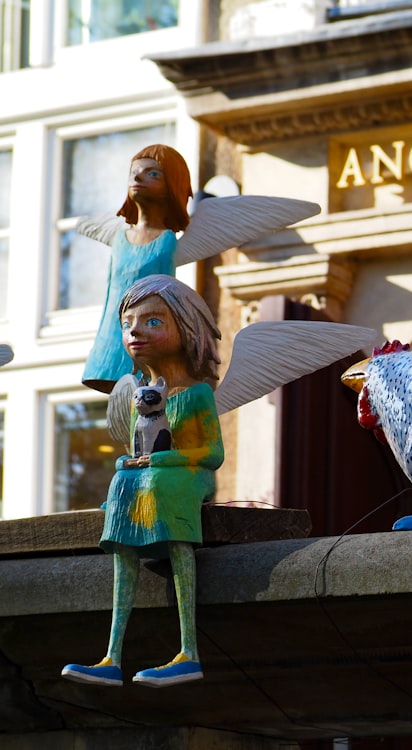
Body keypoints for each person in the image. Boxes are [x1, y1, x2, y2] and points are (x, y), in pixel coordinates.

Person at [62, 274, 223, 688]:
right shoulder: (139, 395)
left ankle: (190, 649)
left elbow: (213, 455)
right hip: (149, 479)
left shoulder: (197, 394)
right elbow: (138, 450)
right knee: (121, 487)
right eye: (128, 323)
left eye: (153, 321)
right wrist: (127, 465)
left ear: (185, 328)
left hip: (186, 478)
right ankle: (112, 654)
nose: (135, 331)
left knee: (159, 486)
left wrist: (165, 460)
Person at [81, 145, 193, 394]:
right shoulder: (120, 240)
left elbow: (167, 297)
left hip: (144, 340)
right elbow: (111, 292)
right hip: (112, 338)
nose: (139, 177)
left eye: (153, 174)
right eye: (135, 172)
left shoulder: (165, 240)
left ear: (171, 186)